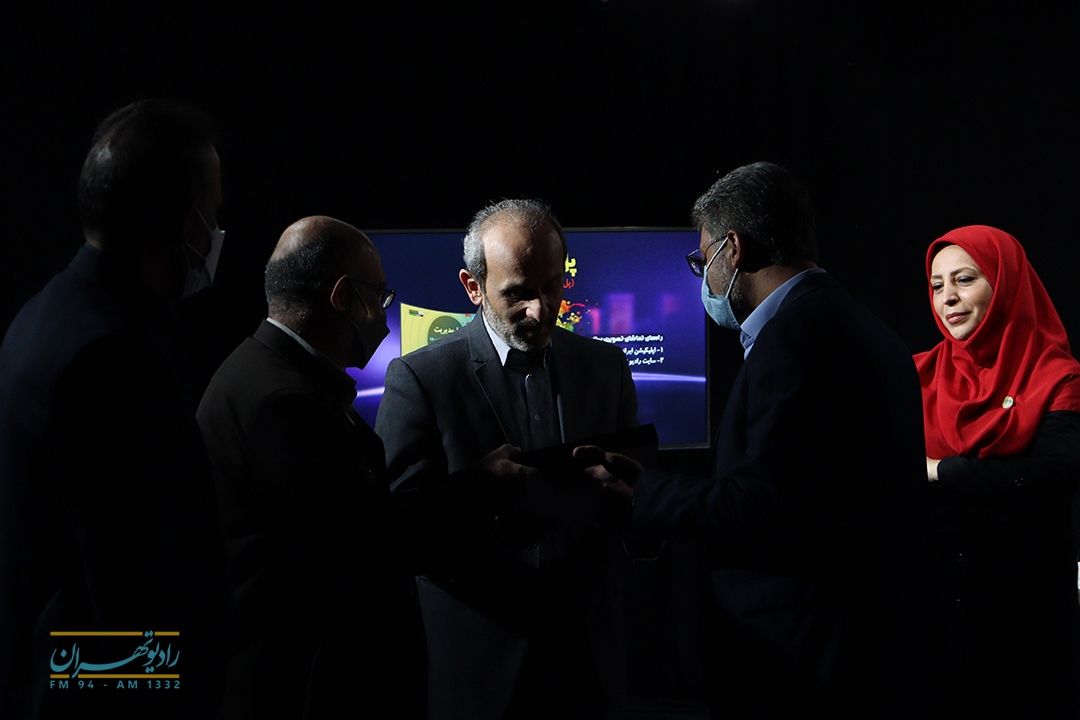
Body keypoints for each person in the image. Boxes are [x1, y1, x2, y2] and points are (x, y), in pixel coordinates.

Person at [578, 161, 929, 719]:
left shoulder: (795, 342)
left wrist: (644, 493)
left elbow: (761, 503)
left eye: (702, 261)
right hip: (870, 651)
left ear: (733, 249)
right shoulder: (868, 330)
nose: (703, 279)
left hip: (799, 659)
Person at [0, 99, 227, 718]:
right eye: (212, 214)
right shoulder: (113, 357)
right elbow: (130, 584)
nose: (215, 234)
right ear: (182, 220)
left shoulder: (46, 315)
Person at [375, 198, 639, 719]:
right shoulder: (421, 379)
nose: (540, 309)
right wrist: (478, 490)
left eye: (552, 287)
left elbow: (629, 502)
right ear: (473, 287)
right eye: (517, 293)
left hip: (586, 657)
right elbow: (396, 529)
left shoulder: (606, 367)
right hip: (479, 662)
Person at [197, 216, 427, 718]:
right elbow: (363, 550)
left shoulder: (263, 371)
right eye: (380, 295)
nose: (384, 315)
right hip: (296, 690)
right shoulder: (284, 403)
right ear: (343, 297)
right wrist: (482, 490)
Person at [914, 224, 1080, 719]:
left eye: (965, 279)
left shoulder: (1058, 377)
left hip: (1025, 618)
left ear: (1006, 283)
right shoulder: (916, 374)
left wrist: (939, 471)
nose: (948, 297)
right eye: (937, 285)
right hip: (935, 615)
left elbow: (1051, 477)